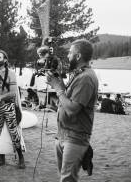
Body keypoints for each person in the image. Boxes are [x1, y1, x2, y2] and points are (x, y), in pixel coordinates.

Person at [46, 39, 98, 182]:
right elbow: (67, 95)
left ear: (78, 56)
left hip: (75, 136)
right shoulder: (79, 74)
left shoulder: (86, 78)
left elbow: (72, 109)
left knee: (68, 179)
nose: (68, 56)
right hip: (63, 134)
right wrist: (57, 80)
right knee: (64, 177)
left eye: (70, 53)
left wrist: (57, 88)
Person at [0, 50, 26, 169]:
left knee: (13, 132)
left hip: (8, 106)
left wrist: (0, 98)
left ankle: (21, 159)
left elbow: (13, 93)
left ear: (5, 60)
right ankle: (2, 159)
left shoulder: (11, 73)